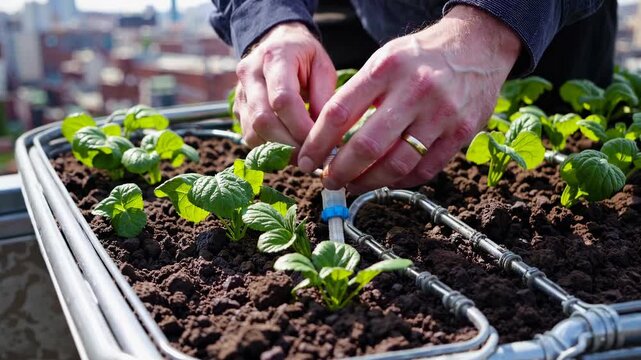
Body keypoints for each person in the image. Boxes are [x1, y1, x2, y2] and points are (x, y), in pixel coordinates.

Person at [209, 0, 616, 193]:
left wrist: (494, 28)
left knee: (558, 137)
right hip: (374, 13)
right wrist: (271, 19)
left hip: (544, 31)